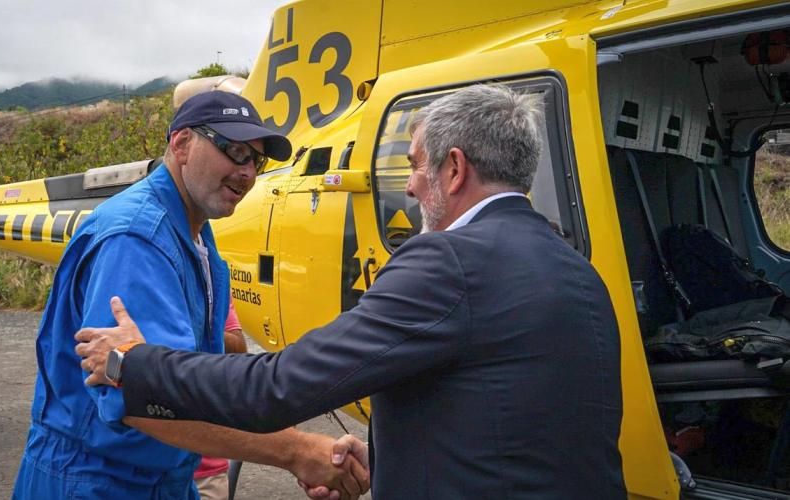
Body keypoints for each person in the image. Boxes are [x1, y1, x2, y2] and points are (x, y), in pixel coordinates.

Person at [76, 84, 628, 498]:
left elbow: (276, 387)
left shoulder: (448, 262)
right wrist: (388, 461)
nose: (409, 186)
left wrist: (133, 362)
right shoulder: (579, 271)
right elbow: (514, 431)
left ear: (454, 168)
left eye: (413, 166)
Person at [13, 91, 369, 499]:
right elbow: (140, 398)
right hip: (97, 479)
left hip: (164, 476)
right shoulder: (138, 239)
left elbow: (195, 381)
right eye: (234, 151)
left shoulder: (195, 232)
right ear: (181, 145)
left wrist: (297, 447)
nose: (247, 173)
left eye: (256, 160)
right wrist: (296, 451)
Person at [194, 302, 245, 500]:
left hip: (205, 471)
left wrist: (201, 329)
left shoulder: (211, 281)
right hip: (141, 469)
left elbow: (239, 350)